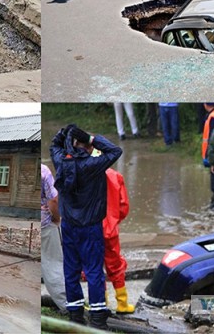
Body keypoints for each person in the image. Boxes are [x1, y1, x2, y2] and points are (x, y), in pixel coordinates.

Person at [50, 124, 123, 329]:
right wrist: (91, 138)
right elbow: (116, 150)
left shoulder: (60, 162)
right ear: (84, 145)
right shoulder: (93, 164)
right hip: (91, 227)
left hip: (69, 226)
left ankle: (75, 316)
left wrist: (64, 135)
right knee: (93, 272)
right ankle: (98, 318)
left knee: (71, 270)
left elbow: (54, 145)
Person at [103, 168, 134, 314]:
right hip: (110, 230)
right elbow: (123, 207)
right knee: (115, 265)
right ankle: (122, 303)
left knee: (92, 265)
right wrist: (114, 221)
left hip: (90, 228)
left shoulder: (84, 170)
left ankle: (100, 302)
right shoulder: (115, 175)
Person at [41, 164, 67, 313]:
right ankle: (66, 305)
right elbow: (54, 201)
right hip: (46, 225)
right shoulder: (44, 170)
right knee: (53, 265)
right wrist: (57, 219)